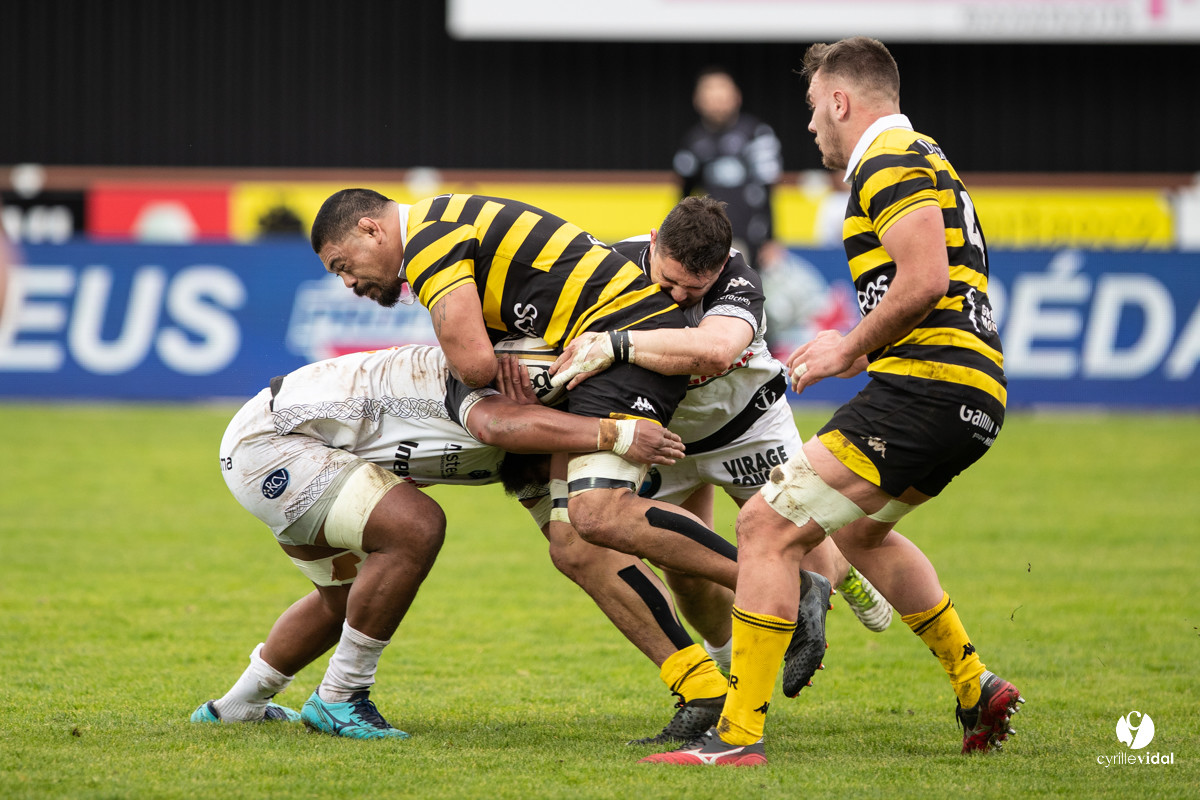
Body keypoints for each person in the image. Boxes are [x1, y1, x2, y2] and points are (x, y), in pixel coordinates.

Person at [641, 37, 1024, 766]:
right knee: (862, 537)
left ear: (842, 101)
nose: (811, 123)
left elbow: (926, 280)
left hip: (925, 388)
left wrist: (848, 348)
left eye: (815, 106)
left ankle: (737, 736)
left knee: (763, 525)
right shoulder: (925, 156)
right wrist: (862, 349)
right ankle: (974, 683)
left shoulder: (889, 157)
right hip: (970, 393)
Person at [309, 190, 831, 711]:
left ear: (371, 229)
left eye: (342, 265)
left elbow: (473, 366)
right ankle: (703, 690)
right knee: (572, 545)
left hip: (627, 354)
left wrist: (491, 367)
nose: (348, 282)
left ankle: (788, 585)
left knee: (597, 514)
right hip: (605, 357)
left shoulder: (430, 240)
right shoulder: (445, 218)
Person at [192, 343, 684, 738]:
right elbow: (496, 420)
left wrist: (688, 666)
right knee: (415, 527)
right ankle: (341, 696)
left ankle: (236, 706)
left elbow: (581, 551)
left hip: (301, 449)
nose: (580, 483)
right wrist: (617, 437)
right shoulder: (511, 383)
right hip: (277, 440)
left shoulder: (535, 452)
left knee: (347, 599)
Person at [551, 196, 892, 746]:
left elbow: (714, 350)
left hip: (747, 427)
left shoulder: (739, 278)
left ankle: (842, 575)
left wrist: (616, 344)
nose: (677, 296)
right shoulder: (610, 264)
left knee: (804, 549)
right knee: (682, 568)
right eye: (668, 281)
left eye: (693, 289)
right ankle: (729, 673)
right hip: (670, 441)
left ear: (719, 268)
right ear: (654, 244)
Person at [673, 66, 783, 270]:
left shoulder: (756, 134)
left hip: (751, 237)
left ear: (736, 96)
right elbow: (684, 194)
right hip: (709, 240)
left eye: (722, 93)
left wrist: (771, 239)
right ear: (698, 100)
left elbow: (767, 189)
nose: (717, 101)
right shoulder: (692, 140)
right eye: (710, 94)